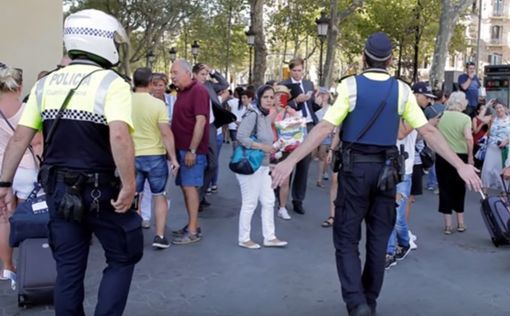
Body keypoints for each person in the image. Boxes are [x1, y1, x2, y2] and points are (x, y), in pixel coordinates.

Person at [271, 32, 481, 316]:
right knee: (379, 238)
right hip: (387, 172)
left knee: (346, 238)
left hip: (355, 169)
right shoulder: (402, 90)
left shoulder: (349, 87)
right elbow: (428, 131)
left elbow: (324, 128)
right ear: (391, 60)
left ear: (363, 56)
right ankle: (369, 301)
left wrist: (290, 161)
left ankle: (357, 302)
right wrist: (460, 165)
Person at [0, 9, 142, 315]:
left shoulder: (45, 84)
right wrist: (129, 185)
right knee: (122, 256)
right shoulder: (111, 83)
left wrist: (4, 184)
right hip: (101, 191)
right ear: (102, 41)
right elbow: (119, 137)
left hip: (57, 190)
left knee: (67, 269)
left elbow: (19, 139)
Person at [0, 66, 41, 288]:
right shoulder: (27, 109)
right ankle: (27, 264)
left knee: (4, 219)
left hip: (1, 171)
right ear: (19, 87)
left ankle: (7, 266)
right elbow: (37, 143)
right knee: (27, 219)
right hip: (25, 170)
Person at [131, 68, 179, 249]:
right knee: (159, 195)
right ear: (150, 83)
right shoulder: (158, 105)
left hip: (132, 155)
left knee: (134, 195)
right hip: (155, 156)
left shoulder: (124, 102)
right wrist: (173, 158)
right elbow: (165, 133)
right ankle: (159, 236)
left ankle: (133, 235)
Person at [236, 85, 287, 249]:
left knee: (269, 201)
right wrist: (262, 147)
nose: (269, 100)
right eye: (266, 97)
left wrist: (275, 145)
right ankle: (244, 238)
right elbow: (241, 136)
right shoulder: (253, 114)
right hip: (250, 165)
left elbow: (265, 136)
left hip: (263, 166)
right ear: (259, 98)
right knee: (250, 202)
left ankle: (269, 237)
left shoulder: (265, 116)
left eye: (272, 97)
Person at [170, 60, 209, 245]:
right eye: (171, 73)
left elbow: (200, 122)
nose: (172, 76)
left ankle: (192, 230)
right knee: (186, 187)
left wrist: (192, 150)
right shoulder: (182, 92)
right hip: (181, 149)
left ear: (187, 72)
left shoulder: (198, 91)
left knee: (190, 187)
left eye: (175, 72)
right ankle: (191, 225)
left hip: (191, 150)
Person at [280, 57, 319, 215]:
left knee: (304, 164)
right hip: (291, 125)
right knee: (287, 161)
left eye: (300, 70)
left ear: (304, 70)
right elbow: (280, 105)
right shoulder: (283, 85)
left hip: (308, 124)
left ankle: (298, 200)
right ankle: (281, 198)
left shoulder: (309, 84)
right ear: (290, 70)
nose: (297, 73)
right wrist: (295, 101)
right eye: (294, 70)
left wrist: (319, 102)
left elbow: (311, 107)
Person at [435, 92, 474, 234]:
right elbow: (469, 139)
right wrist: (470, 157)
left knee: (444, 188)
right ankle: (461, 223)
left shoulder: (442, 116)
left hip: (443, 155)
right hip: (461, 156)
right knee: (459, 188)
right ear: (462, 104)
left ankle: (447, 225)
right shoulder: (465, 118)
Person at [385, 121, 417, 270]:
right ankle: (389, 252)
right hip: (385, 166)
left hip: (404, 170)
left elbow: (401, 133)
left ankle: (404, 242)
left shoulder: (411, 114)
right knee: (388, 211)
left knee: (397, 214)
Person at [481, 100, 510, 194]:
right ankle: (485, 192)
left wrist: (507, 141)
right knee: (487, 169)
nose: (498, 109)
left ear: (505, 108)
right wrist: (487, 105)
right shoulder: (493, 118)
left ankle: (504, 192)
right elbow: (480, 119)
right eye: (496, 108)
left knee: (502, 170)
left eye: (500, 107)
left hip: (505, 150)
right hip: (492, 148)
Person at [314, 87, 332, 188]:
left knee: (324, 157)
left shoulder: (332, 108)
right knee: (319, 156)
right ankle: (320, 178)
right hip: (316, 134)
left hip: (328, 134)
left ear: (328, 96)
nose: (323, 96)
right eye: (321, 94)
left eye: (325, 94)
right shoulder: (315, 107)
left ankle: (322, 175)